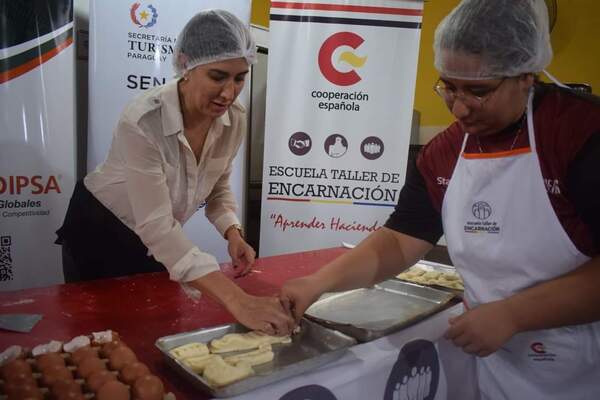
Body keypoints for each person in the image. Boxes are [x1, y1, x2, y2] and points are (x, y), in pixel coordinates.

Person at [281, 0, 600, 398]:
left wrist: (516, 314)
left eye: (478, 90)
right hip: (496, 361)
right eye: (449, 86)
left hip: (583, 365)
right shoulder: (443, 153)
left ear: (525, 75)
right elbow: (400, 239)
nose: (460, 107)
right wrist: (317, 283)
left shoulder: (580, 134)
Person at [56, 10, 293, 335]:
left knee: (153, 327)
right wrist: (238, 301)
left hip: (157, 235)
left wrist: (233, 233)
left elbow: (218, 186)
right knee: (103, 338)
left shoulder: (233, 119)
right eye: (218, 76)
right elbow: (156, 227)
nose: (229, 92)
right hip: (101, 230)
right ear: (185, 64)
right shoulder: (142, 122)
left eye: (240, 77)